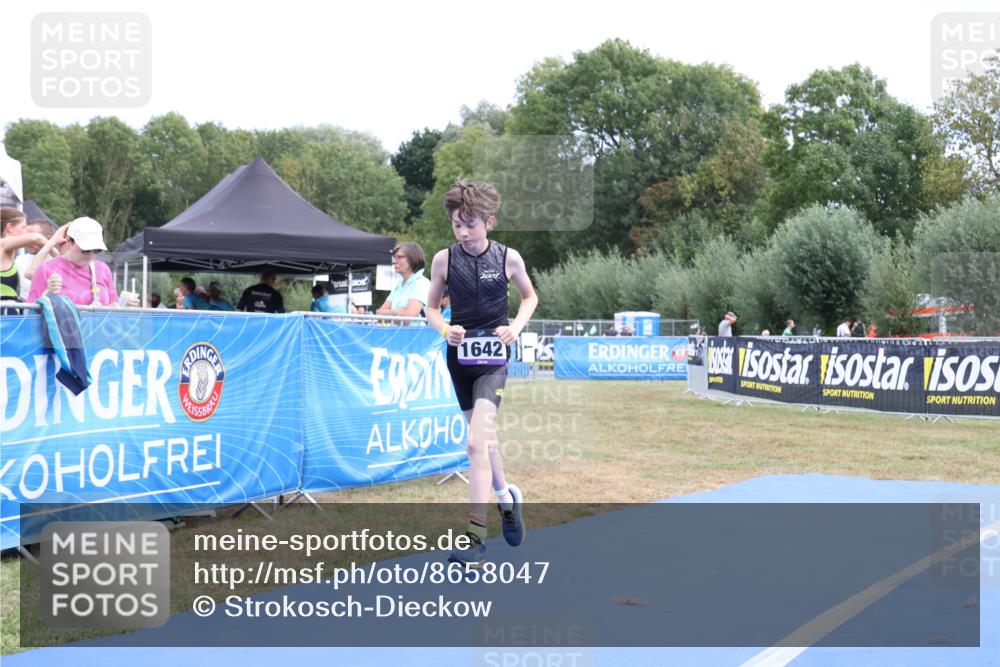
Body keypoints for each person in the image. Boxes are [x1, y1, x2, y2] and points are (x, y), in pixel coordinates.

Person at [425, 180, 538, 566]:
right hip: (459, 361)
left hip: (493, 361)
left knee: (475, 444)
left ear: (489, 222)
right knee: (485, 444)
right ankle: (506, 499)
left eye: (470, 224)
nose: (464, 232)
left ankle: (475, 538)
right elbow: (431, 309)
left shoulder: (509, 258)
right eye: (457, 225)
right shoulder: (444, 260)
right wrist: (445, 329)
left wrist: (515, 328)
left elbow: (530, 296)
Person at [28, 217, 136, 306]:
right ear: (69, 241)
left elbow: (112, 304)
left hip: (98, 331)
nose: (91, 255)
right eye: (85, 250)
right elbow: (30, 313)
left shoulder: (102, 269)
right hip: (61, 331)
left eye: (97, 250)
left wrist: (124, 305)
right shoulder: (47, 269)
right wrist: (47, 293)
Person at [377, 242, 430, 325]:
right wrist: (397, 312)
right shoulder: (398, 285)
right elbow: (379, 314)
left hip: (415, 336)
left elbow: (407, 319)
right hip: (399, 335)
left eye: (399, 257)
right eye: (394, 257)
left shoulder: (422, 283)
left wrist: (389, 314)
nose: (394, 261)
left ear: (412, 258)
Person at [1, 208, 46, 302]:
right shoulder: (2, 244)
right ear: (9, 227)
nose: (26, 233)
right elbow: (36, 238)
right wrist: (57, 254)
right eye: (23, 227)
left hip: (10, 315)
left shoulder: (9, 252)